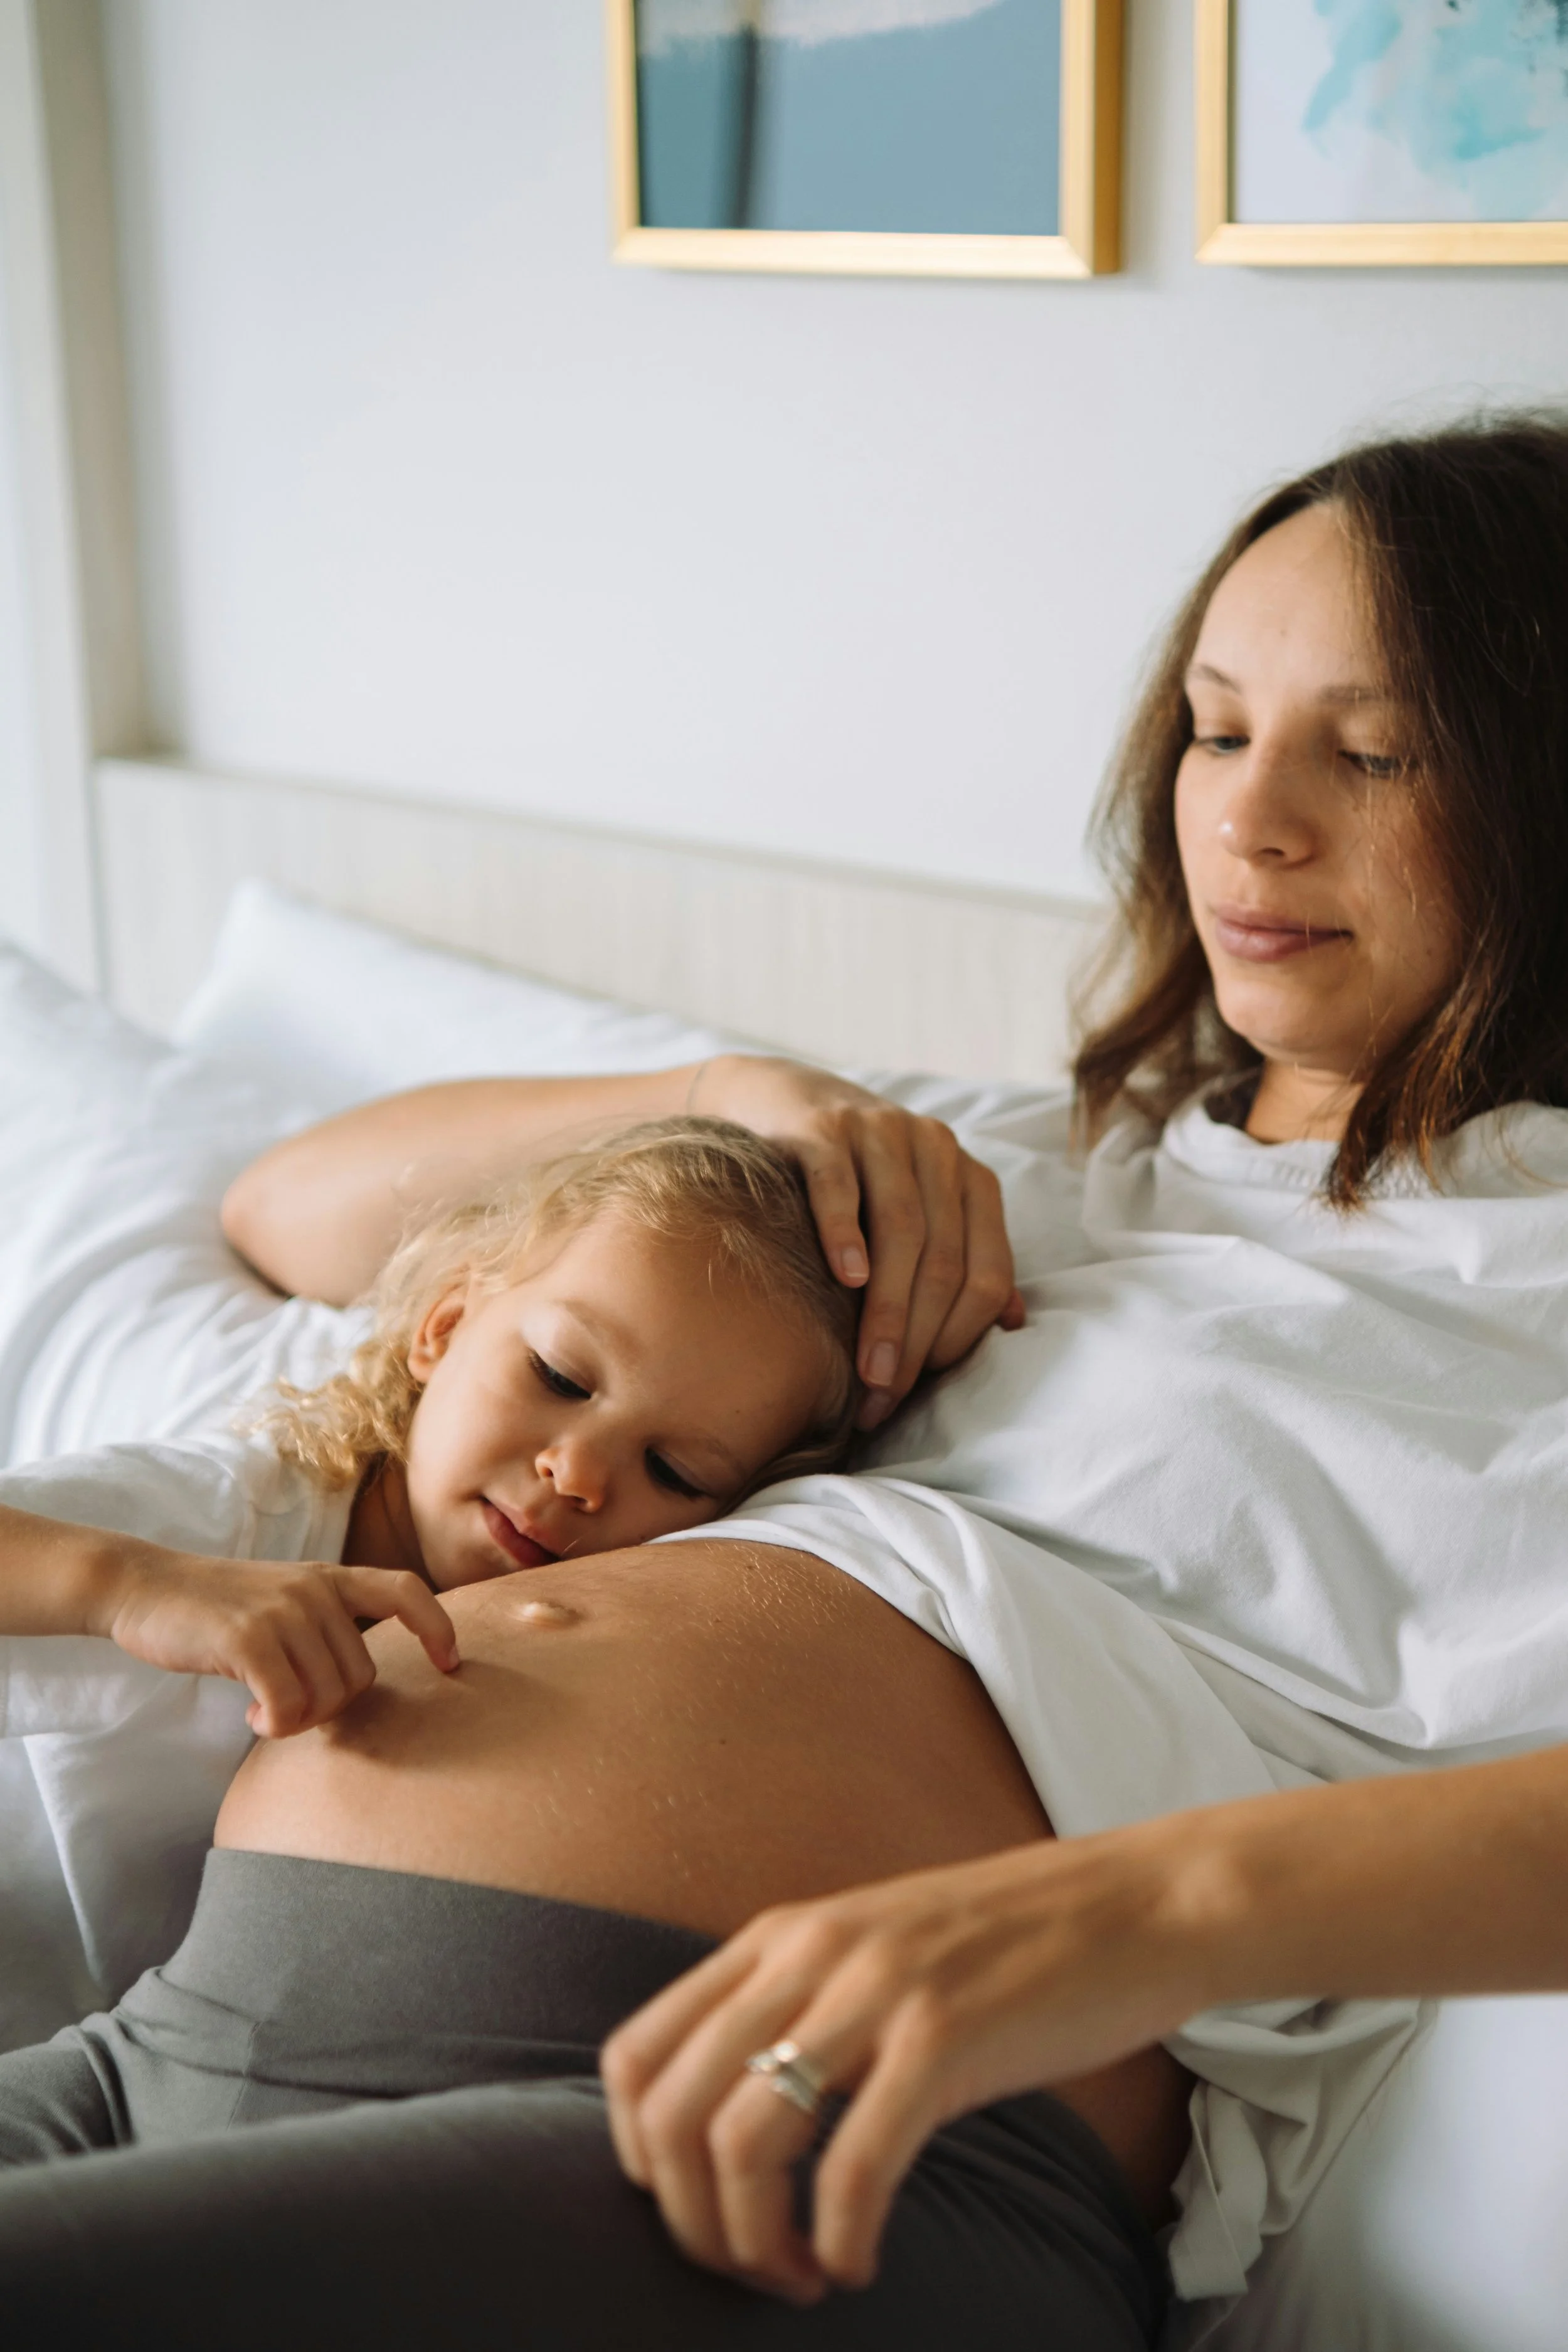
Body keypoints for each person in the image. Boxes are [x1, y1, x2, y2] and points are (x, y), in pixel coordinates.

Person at [5, 412, 1567, 2344]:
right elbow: (290, 1205)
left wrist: (1135, 1913)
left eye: (1375, 748)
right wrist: (718, 1091)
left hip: (757, 2130)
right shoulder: (995, 1169)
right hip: (201, 2002)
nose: (1247, 820)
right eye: (1216, 724)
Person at [0, 1116, 865, 2032]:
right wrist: (130, 1584)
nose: (576, 1474)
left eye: (675, 1471)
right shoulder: (227, 1523)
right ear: (445, 1327)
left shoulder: (589, 1661)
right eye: (561, 1377)